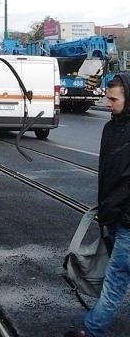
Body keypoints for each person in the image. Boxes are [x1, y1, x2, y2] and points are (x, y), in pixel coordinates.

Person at [66, 73, 130, 337]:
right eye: (107, 97)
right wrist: (106, 210)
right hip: (114, 215)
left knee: (115, 279)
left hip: (127, 219)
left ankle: (90, 330)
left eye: (113, 99)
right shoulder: (111, 127)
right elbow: (108, 173)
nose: (107, 103)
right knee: (117, 276)